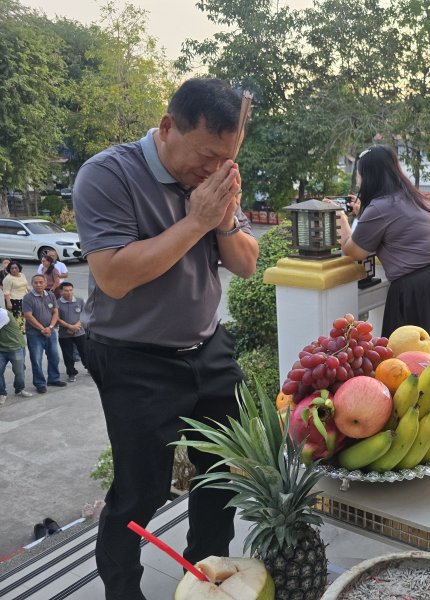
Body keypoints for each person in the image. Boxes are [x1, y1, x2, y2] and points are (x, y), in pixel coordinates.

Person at [72, 77, 258, 600]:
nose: (214, 169)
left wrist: (223, 218)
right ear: (168, 126)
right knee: (140, 492)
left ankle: (207, 581)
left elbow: (246, 263)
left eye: (225, 158)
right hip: (132, 357)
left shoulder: (217, 179)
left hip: (207, 346)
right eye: (205, 155)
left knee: (221, 473)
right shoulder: (108, 174)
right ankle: (123, 592)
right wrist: (197, 220)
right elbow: (114, 276)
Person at [333, 145, 430, 350]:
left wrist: (340, 218)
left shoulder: (379, 208)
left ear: (369, 176)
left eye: (359, 175)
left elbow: (354, 251)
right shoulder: (418, 200)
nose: (359, 181)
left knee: (414, 359)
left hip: (418, 290)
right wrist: (363, 212)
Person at [22, 274, 66, 393]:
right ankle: (40, 383)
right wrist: (42, 329)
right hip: (34, 334)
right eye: (36, 282)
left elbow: (55, 312)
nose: (38, 284)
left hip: (50, 332)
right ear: (32, 284)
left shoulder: (51, 295)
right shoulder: (27, 298)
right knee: (36, 359)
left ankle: (53, 379)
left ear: (46, 283)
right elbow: (28, 316)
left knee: (54, 356)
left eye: (41, 282)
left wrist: (50, 327)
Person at [0, 306, 34, 405]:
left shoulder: (2, 314)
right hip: (1, 349)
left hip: (16, 347)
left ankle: (19, 389)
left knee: (19, 371)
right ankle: (1, 393)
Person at [56, 281, 87, 383]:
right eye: (66, 290)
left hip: (80, 332)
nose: (69, 293)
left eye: (70, 290)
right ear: (61, 292)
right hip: (65, 334)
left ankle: (90, 368)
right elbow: (57, 318)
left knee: (85, 352)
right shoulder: (57, 303)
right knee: (68, 355)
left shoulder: (80, 301)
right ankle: (71, 373)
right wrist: (69, 326)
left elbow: (84, 314)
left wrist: (76, 326)